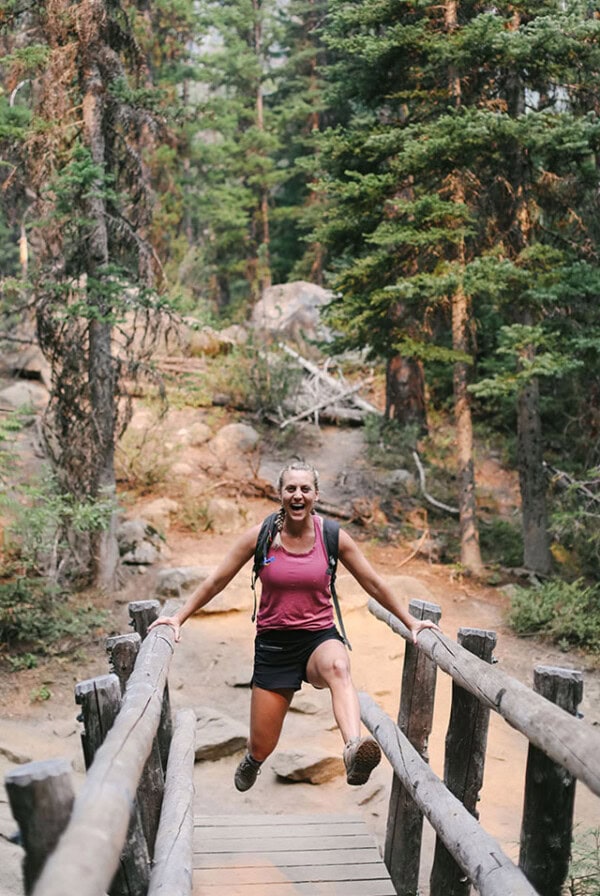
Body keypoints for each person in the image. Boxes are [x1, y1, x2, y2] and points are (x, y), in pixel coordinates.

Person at [148, 460, 440, 792]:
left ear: (315, 494)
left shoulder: (332, 536)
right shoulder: (261, 535)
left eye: (305, 489)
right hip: (275, 646)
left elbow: (372, 582)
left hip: (318, 637)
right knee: (263, 744)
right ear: (280, 494)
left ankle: (353, 749)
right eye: (291, 489)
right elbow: (217, 581)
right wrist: (177, 618)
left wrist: (411, 621)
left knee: (339, 666)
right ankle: (253, 759)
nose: (297, 495)